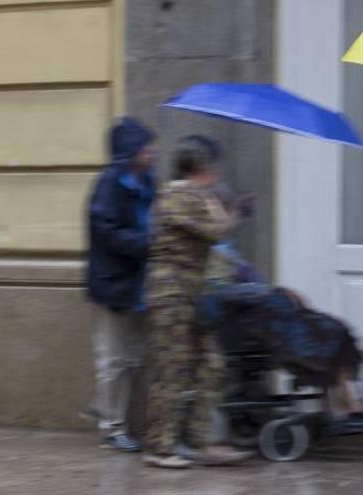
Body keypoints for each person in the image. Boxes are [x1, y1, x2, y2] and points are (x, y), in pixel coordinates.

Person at [142, 135, 250, 468]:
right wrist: (232, 209)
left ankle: (199, 441)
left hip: (193, 295)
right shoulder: (177, 194)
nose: (217, 171)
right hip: (171, 295)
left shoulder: (197, 195)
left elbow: (216, 230)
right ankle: (160, 447)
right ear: (200, 167)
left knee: (211, 364)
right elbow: (216, 231)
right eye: (212, 165)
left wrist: (225, 207)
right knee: (173, 368)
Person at [200, 240, 363, 432]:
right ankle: (346, 408)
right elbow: (221, 292)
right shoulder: (207, 259)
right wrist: (267, 291)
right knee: (324, 339)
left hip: (266, 312)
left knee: (337, 332)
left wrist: (271, 291)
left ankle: (349, 405)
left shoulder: (225, 251)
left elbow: (253, 280)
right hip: (251, 320)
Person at [85, 116, 156, 452]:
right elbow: (107, 231)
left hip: (142, 283)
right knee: (113, 359)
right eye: (145, 146)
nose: (152, 151)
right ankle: (111, 428)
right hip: (115, 284)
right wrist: (145, 244)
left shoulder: (149, 182)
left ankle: (121, 419)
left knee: (135, 358)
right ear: (129, 151)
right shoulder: (109, 184)